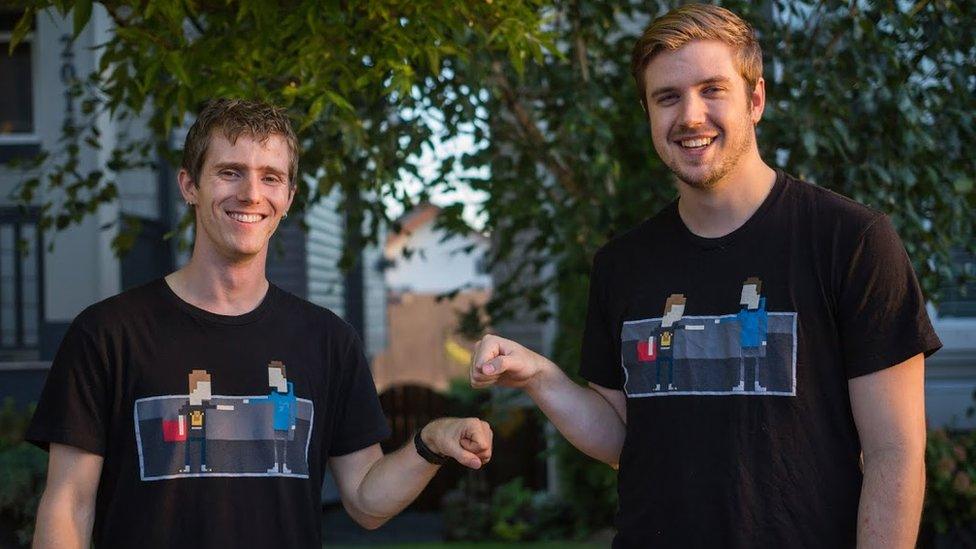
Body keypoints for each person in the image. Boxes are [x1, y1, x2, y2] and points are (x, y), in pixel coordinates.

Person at [470, 4, 941, 547]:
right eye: (667, 97)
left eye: (712, 89)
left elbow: (895, 453)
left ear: (756, 100)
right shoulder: (622, 264)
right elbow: (624, 438)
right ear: (648, 113)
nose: (690, 116)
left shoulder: (851, 242)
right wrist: (538, 375)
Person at [28, 99, 493, 547]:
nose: (251, 193)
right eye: (229, 172)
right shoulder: (108, 334)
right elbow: (68, 505)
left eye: (270, 177)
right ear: (190, 185)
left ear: (288, 197)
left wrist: (431, 441)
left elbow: (367, 502)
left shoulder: (327, 340)